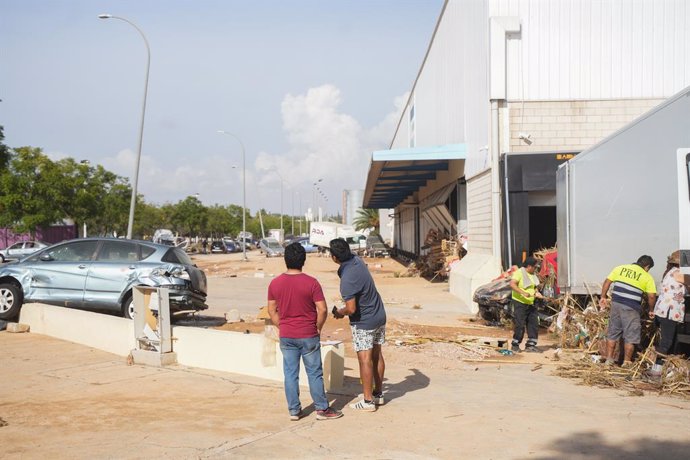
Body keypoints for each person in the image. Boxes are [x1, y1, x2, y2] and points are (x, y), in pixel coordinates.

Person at [267, 242, 343, 421]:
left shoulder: (275, 283)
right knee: (314, 373)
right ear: (304, 260)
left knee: (290, 374)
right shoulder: (312, 283)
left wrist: (282, 325)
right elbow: (323, 309)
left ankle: (294, 411)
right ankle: (322, 410)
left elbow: (271, 310)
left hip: (287, 335)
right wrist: (318, 326)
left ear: (285, 260)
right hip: (308, 334)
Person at [329, 238, 386, 412]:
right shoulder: (357, 261)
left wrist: (339, 312)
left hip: (364, 322)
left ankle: (368, 401)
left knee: (364, 359)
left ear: (334, 257)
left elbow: (351, 308)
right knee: (377, 354)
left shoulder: (346, 279)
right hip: (379, 315)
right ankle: (378, 394)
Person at [599, 255, 657, 366]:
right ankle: (626, 362)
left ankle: (609, 359)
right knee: (631, 335)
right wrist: (651, 309)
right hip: (631, 307)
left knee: (613, 332)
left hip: (616, 304)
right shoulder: (647, 276)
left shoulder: (620, 268)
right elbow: (651, 296)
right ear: (647, 266)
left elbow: (607, 281)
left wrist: (603, 296)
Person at [649, 251, 688, 374]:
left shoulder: (670, 272)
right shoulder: (678, 273)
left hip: (665, 311)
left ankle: (665, 369)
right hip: (669, 312)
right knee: (667, 342)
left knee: (671, 341)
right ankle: (657, 369)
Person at [509, 257, 544, 353]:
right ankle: (515, 345)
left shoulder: (532, 274)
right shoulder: (519, 273)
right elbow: (512, 284)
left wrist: (537, 293)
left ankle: (531, 345)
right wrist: (523, 293)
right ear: (529, 266)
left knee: (533, 324)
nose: (535, 269)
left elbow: (534, 287)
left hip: (531, 303)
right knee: (520, 324)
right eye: (534, 267)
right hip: (520, 303)